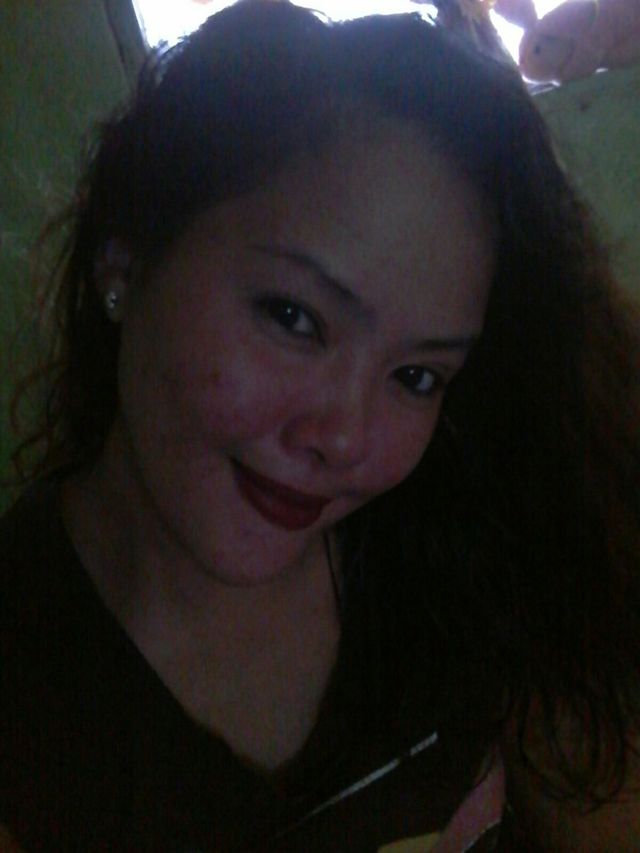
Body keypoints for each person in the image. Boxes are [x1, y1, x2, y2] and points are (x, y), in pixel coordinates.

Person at [1, 1, 639, 849]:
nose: (344, 438)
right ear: (127, 261)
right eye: (294, 317)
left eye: (416, 375)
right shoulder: (27, 693)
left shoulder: (458, 543)